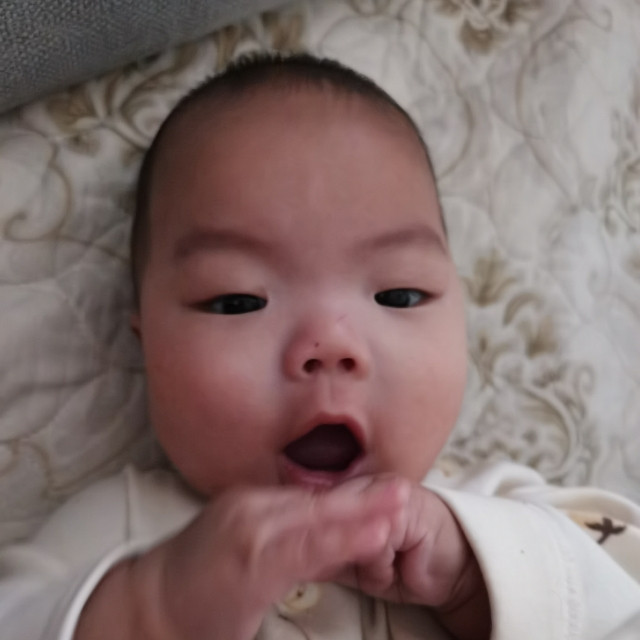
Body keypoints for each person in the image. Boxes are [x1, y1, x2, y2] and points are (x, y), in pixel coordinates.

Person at [1, 53, 639, 640]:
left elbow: (621, 593)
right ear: (146, 340)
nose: (330, 345)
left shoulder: (499, 513)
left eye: (399, 295)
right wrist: (150, 609)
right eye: (237, 301)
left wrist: (478, 577)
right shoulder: (118, 533)